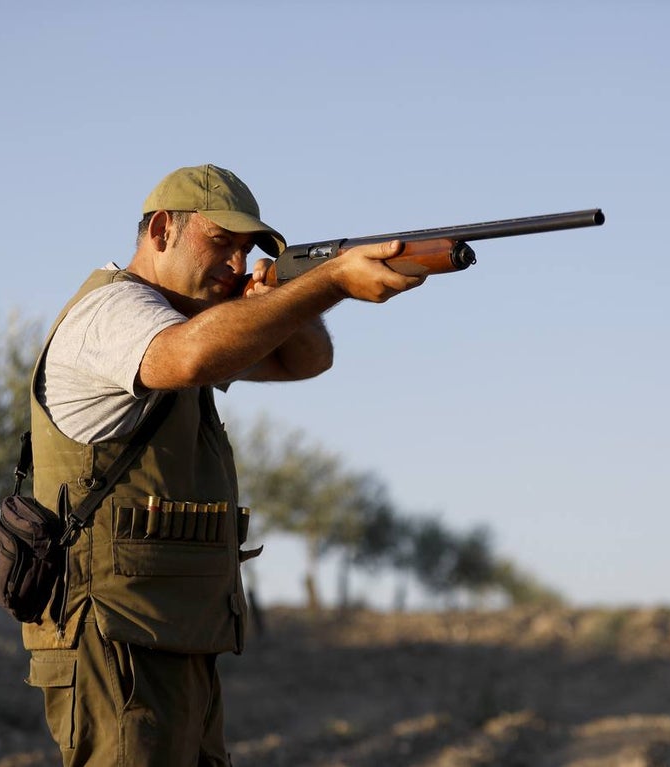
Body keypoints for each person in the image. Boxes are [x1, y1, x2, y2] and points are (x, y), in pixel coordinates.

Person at [21, 164, 425, 767]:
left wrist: (281, 296)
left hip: (167, 630)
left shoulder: (180, 319)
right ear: (162, 229)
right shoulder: (116, 311)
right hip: (115, 638)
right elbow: (191, 356)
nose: (237, 265)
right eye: (221, 243)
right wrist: (332, 281)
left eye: (246, 251)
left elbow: (303, 361)